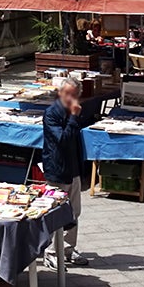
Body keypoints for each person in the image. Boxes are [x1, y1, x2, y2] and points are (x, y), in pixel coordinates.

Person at [42, 76, 95, 266]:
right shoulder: (52, 114)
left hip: (73, 170)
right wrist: (73, 117)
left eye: (74, 95)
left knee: (74, 213)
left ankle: (68, 249)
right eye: (67, 94)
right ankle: (50, 252)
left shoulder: (75, 112)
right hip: (57, 170)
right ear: (60, 93)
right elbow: (62, 141)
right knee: (55, 212)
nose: (70, 98)